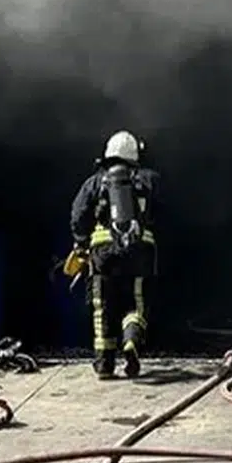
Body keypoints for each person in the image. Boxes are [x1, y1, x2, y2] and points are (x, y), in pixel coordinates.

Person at [69, 130, 159, 379]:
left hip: (102, 255)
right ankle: (131, 340)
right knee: (137, 303)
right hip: (140, 253)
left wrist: (81, 243)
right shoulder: (149, 180)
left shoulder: (95, 182)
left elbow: (78, 215)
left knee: (103, 308)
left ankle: (104, 364)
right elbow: (163, 213)